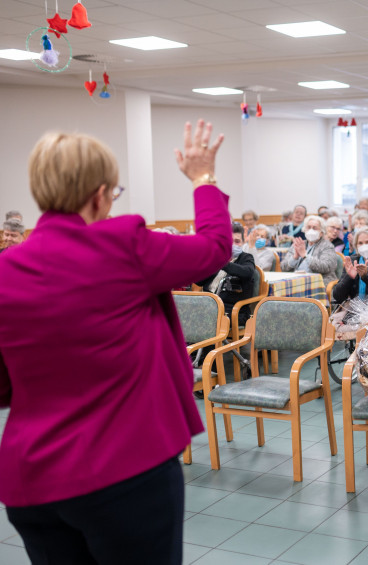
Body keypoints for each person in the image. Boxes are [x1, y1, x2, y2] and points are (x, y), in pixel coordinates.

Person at [0, 120, 229, 564]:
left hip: (30, 479)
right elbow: (215, 248)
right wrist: (203, 179)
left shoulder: (6, 267)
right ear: (100, 193)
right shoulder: (123, 245)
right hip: (123, 470)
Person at [199, 222, 257, 327]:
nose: (233, 244)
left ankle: (209, 343)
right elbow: (199, 281)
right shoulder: (216, 257)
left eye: (237, 241)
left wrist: (223, 263)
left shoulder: (246, 258)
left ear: (243, 243)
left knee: (203, 319)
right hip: (207, 304)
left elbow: (247, 272)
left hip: (233, 310)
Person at [281, 215, 339, 284]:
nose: (311, 230)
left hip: (318, 284)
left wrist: (305, 255)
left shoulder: (327, 246)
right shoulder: (298, 244)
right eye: (308, 227)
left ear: (321, 232)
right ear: (304, 230)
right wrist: (295, 257)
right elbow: (283, 267)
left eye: (314, 228)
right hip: (296, 282)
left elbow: (326, 267)